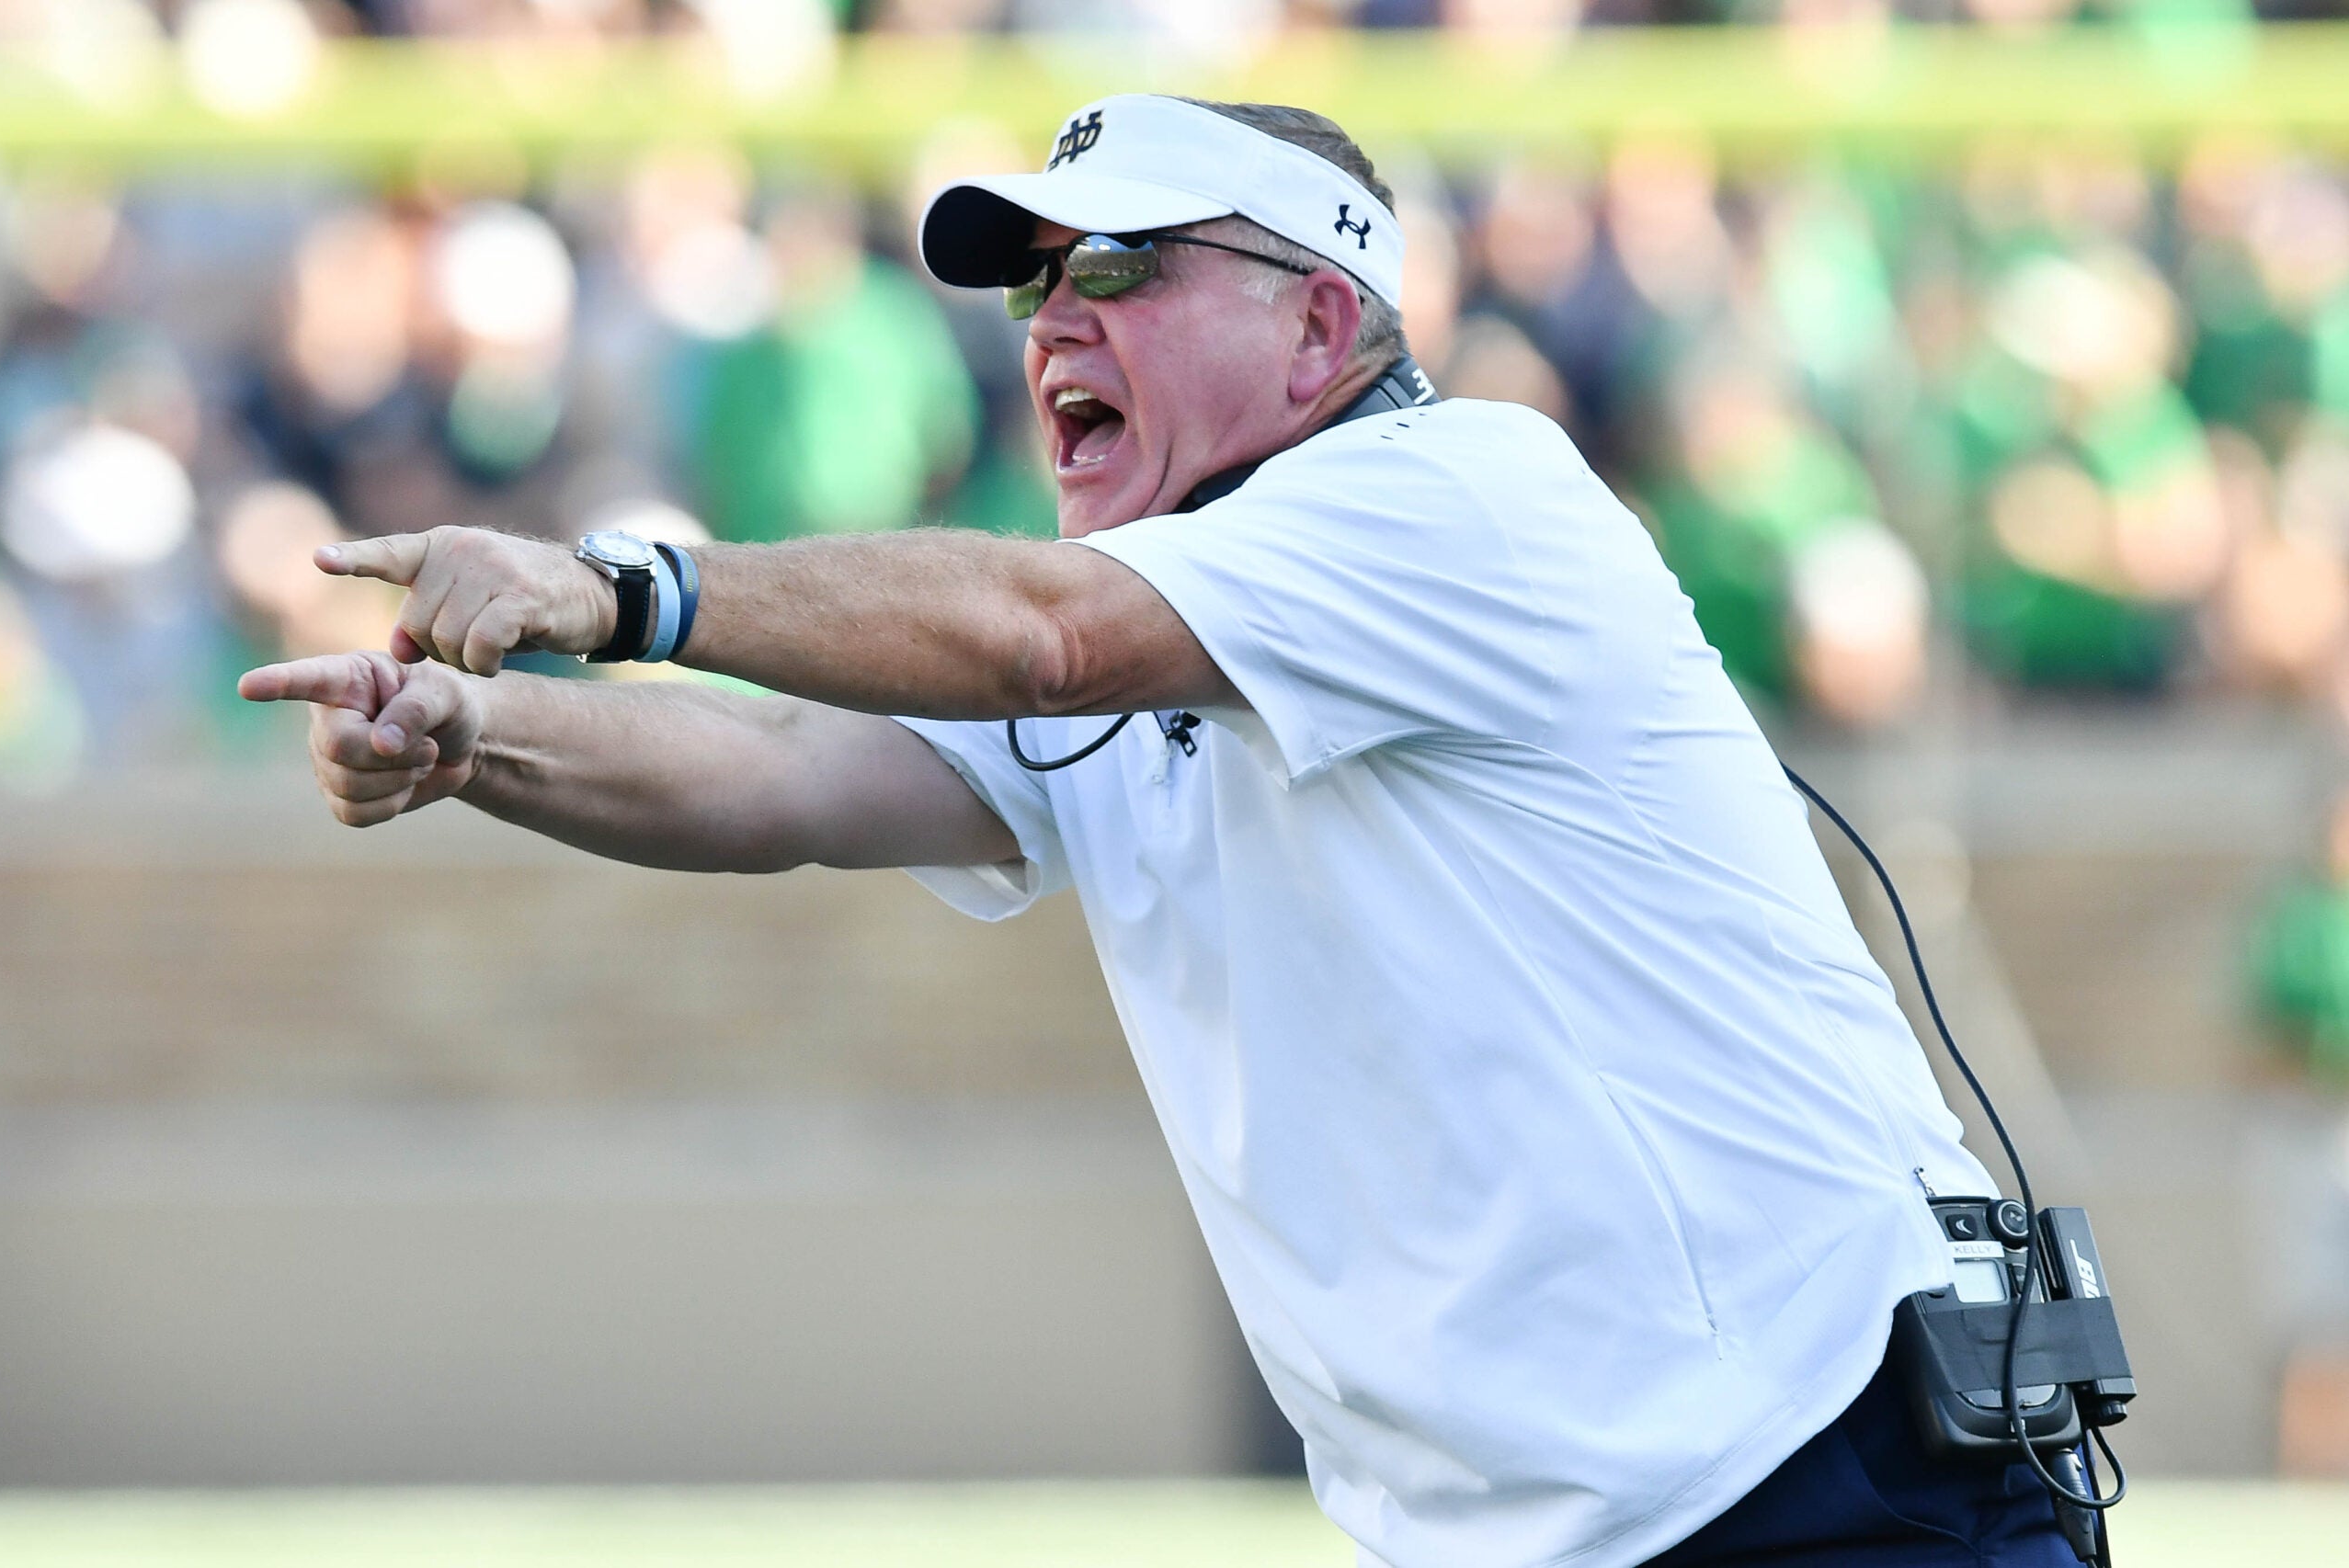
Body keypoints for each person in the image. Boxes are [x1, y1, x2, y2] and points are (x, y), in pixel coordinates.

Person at [241, 96, 2068, 1567]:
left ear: (1321, 324)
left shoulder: (1459, 491)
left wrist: (621, 587)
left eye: (1119, 261)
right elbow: (780, 776)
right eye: (1033, 285)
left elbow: (1036, 635)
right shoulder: (1151, 594)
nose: (1054, 320)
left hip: (1818, 1476)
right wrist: (479, 733)